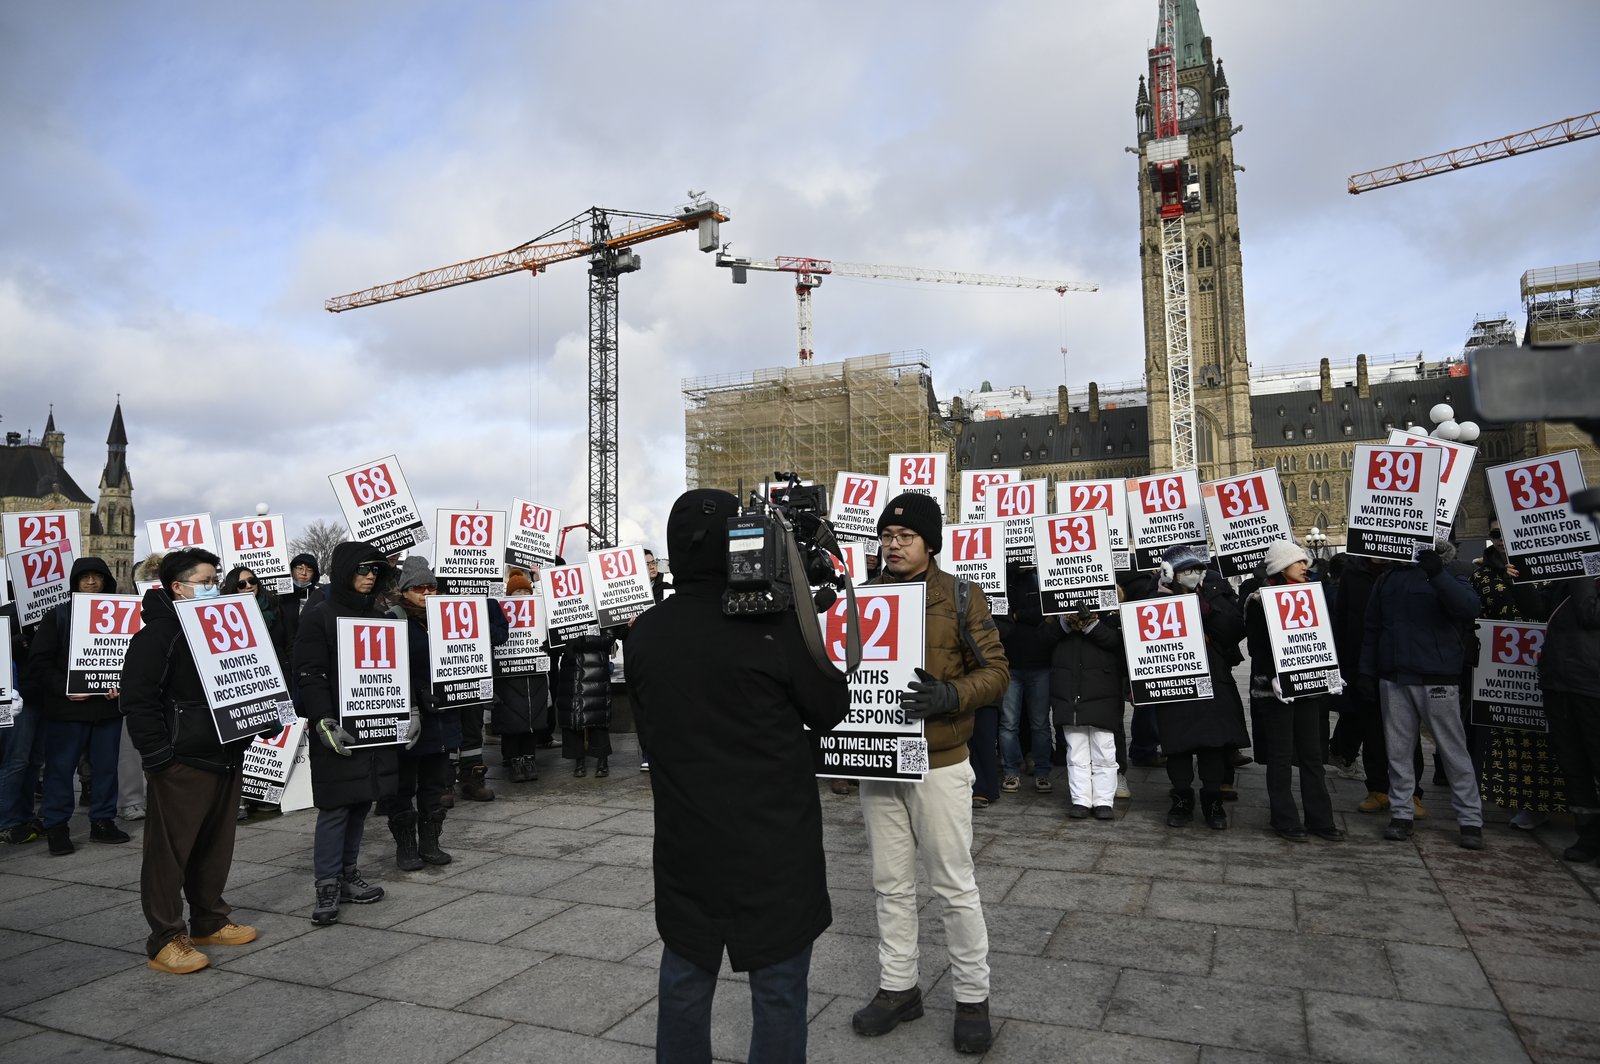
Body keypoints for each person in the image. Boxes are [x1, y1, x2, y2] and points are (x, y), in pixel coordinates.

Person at [628, 489, 851, 1064]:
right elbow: (829, 709)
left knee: (685, 976)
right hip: (772, 841)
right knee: (777, 988)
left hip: (687, 837)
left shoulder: (646, 632)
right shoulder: (772, 626)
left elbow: (650, 732)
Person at [852, 493, 1009, 1055]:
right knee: (890, 884)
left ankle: (972, 997)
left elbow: (997, 674)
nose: (893, 544)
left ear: (929, 543)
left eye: (905, 536)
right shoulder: (863, 597)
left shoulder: (961, 596)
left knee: (953, 885)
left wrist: (950, 695)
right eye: (887, 536)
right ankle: (899, 989)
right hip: (879, 762)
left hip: (940, 762)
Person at [120, 548, 260, 975]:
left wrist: (264, 716)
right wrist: (159, 757)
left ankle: (209, 919)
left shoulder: (224, 628)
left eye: (217, 578)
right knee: (169, 853)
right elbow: (138, 701)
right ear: (179, 587)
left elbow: (246, 678)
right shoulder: (158, 636)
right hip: (183, 760)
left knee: (214, 847)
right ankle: (165, 937)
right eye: (207, 580)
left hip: (225, 754)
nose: (217, 586)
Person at [292, 542, 407, 925]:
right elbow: (309, 673)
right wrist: (323, 719)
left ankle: (347, 874)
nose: (370, 576)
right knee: (336, 806)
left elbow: (396, 672)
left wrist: (412, 709)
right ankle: (326, 883)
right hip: (338, 726)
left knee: (361, 801)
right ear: (344, 572)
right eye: (362, 569)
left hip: (375, 723)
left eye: (375, 570)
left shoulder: (381, 616)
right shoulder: (319, 615)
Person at [1359, 539, 1484, 849]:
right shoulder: (1387, 578)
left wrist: (1438, 573)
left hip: (1436, 677)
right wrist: (1366, 670)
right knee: (1398, 751)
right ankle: (1402, 813)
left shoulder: (1451, 571)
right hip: (1395, 676)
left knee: (1453, 750)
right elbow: (1372, 628)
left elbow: (1469, 609)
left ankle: (1470, 819)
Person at [1132, 545, 1249, 831]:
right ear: (1171, 573)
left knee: (1211, 745)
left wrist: (1205, 609)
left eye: (1197, 569)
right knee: (1178, 746)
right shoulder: (1155, 596)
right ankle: (1182, 799)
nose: (1194, 575)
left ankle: (1213, 801)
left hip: (1211, 681)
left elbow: (1234, 629)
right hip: (1174, 684)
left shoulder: (1211, 592)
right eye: (1187, 570)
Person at [24, 556, 131, 855]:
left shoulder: (124, 615)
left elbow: (130, 659)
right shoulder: (57, 615)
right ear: (75, 582)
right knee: (60, 770)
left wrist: (122, 685)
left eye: (97, 576)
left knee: (107, 769)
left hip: (107, 709)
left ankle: (103, 822)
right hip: (67, 710)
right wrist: (65, 688)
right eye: (84, 577)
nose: (91, 582)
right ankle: (57, 827)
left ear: (106, 580)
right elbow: (39, 663)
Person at [1245, 541, 1345, 842]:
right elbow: (1257, 647)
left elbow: (1318, 639)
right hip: (1276, 692)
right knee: (1281, 756)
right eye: (1299, 562)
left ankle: (1320, 819)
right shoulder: (1259, 600)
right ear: (1281, 567)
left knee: (1313, 756)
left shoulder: (1312, 595)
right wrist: (1274, 676)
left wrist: (1330, 673)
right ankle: (1284, 818)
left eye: (1305, 561)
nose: (1306, 566)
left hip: (1308, 688)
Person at [1471, 525, 1564, 831]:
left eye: (1507, 533)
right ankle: (1528, 805)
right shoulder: (1482, 575)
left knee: (1551, 738)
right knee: (1512, 740)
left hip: (1547, 668)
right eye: (1496, 534)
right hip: (1501, 673)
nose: (1501, 540)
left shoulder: (1550, 571)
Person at [376, 558, 456, 870]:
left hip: (443, 714)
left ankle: (431, 842)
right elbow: (388, 668)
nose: (427, 592)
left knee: (436, 784)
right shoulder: (392, 621)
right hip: (409, 715)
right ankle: (406, 845)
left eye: (431, 586)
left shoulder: (449, 619)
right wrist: (416, 692)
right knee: (403, 785)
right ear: (405, 590)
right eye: (419, 587)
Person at [1539, 573, 1600, 863]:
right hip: (1558, 681)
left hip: (1591, 684)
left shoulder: (1583, 575)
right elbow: (1537, 613)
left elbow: (1590, 614)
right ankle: (1587, 833)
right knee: (1572, 762)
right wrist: (1520, 581)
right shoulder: (1567, 574)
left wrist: (1583, 574)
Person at [1049, 602, 1125, 819]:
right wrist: (1063, 622)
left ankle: (1103, 800)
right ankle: (1081, 799)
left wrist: (1092, 624)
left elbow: (1116, 642)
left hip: (1102, 688)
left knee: (1104, 748)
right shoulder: (1055, 610)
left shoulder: (1111, 608)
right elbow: (1042, 639)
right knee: (1075, 749)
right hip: (1069, 691)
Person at [996, 565, 1058, 795]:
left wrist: (1019, 615)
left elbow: (1047, 611)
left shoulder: (1042, 580)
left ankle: (1042, 771)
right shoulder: (1003, 581)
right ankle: (1011, 769)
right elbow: (1001, 613)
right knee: (1008, 724)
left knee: (1040, 724)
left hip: (1039, 664)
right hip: (1010, 665)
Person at [493, 567, 549, 784]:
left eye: (525, 593)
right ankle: (515, 759)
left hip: (533, 672)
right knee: (511, 719)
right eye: (517, 594)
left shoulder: (538, 610)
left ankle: (529, 757)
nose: (522, 598)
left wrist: (539, 580)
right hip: (509, 673)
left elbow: (549, 606)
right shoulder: (499, 609)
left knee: (532, 718)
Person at [555, 626, 616, 778]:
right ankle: (579, 761)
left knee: (597, 714)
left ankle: (602, 760)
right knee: (573, 716)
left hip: (594, 666)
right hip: (571, 666)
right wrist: (554, 644)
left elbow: (609, 638)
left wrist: (583, 640)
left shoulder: (599, 607)